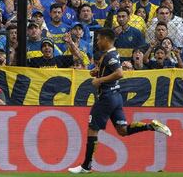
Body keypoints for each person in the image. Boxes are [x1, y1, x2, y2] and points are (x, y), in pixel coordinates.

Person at [68, 28, 171, 174]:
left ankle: (86, 166)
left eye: (98, 39)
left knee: (92, 129)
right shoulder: (112, 54)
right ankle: (151, 127)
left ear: (105, 40)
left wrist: (99, 80)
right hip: (116, 97)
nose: (97, 42)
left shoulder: (110, 55)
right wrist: (98, 71)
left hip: (106, 98)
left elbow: (119, 73)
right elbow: (111, 69)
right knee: (122, 130)